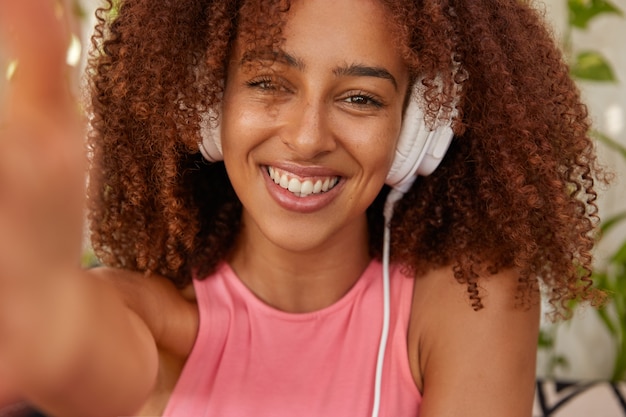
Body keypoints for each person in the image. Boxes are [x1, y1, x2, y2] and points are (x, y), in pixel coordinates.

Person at [0, 0, 608, 416]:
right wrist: (36, 307)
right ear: (210, 105)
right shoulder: (157, 317)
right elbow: (71, 341)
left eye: (361, 97)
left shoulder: (473, 296)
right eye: (268, 82)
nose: (308, 136)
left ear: (420, 130)